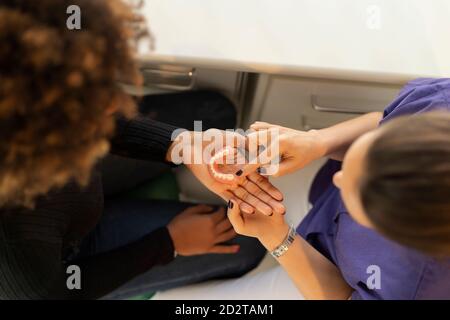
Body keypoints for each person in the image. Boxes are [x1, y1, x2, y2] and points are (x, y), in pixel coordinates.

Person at [0, 0, 283, 299]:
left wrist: (180, 145)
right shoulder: (21, 271)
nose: (117, 102)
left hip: (68, 189)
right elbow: (70, 290)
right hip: (70, 257)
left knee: (212, 113)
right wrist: (169, 243)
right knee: (249, 240)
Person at [155, 78, 450, 300]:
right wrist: (318, 142)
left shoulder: (417, 288)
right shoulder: (439, 102)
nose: (339, 178)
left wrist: (276, 237)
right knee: (198, 169)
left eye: (357, 193)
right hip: (314, 194)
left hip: (322, 281)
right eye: (363, 158)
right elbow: (383, 120)